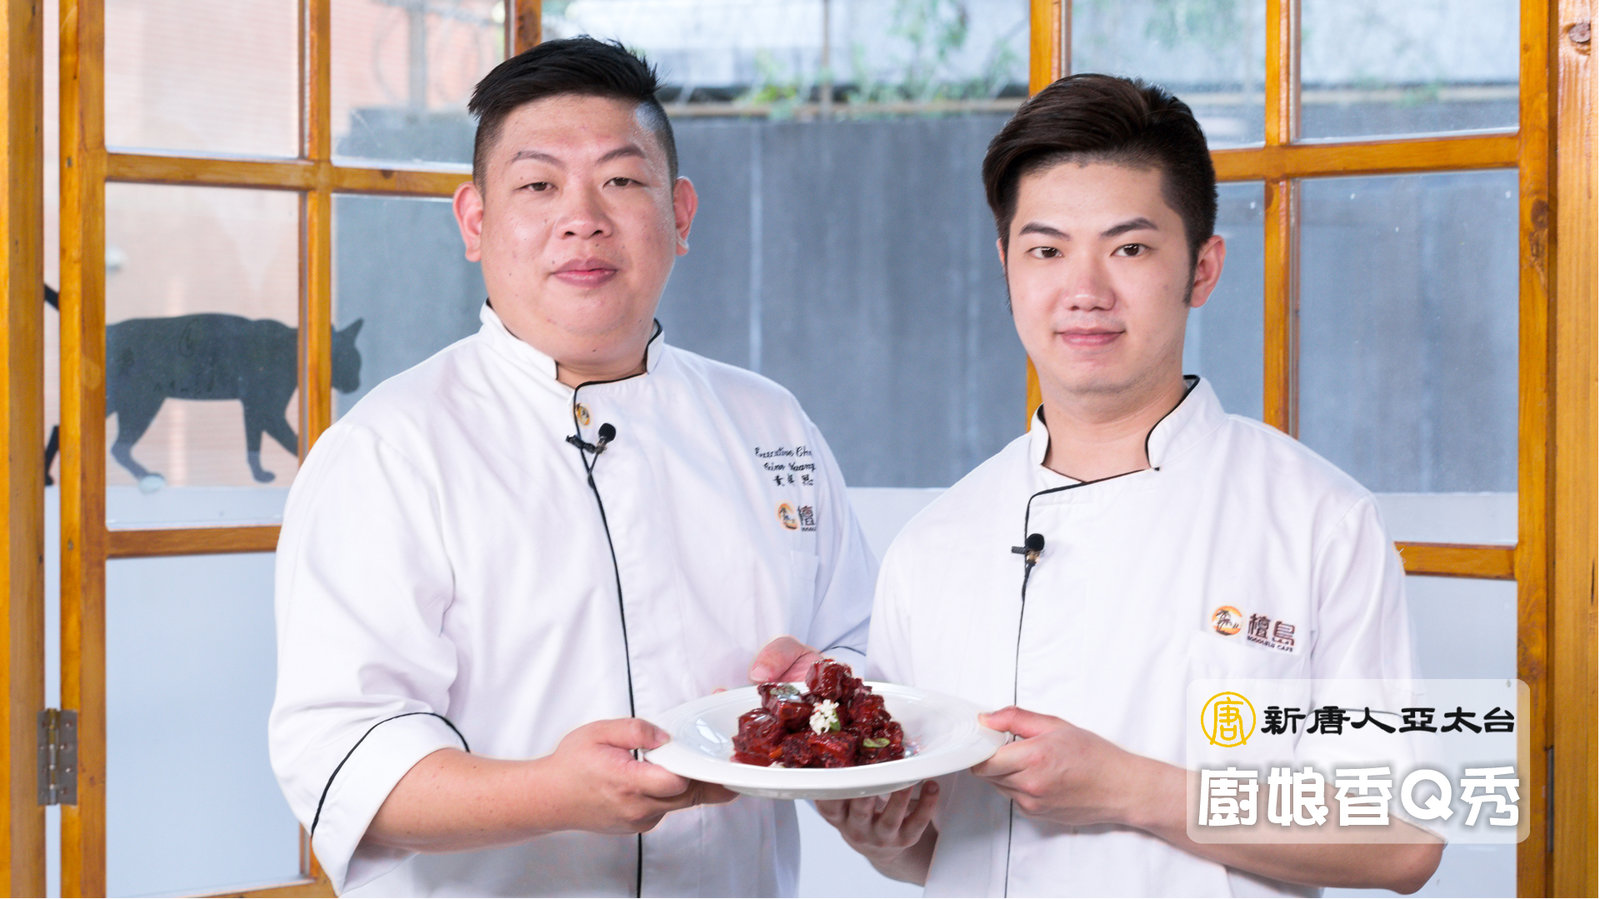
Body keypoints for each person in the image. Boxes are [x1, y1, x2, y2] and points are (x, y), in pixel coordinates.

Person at [268, 37, 876, 897]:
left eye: (622, 180)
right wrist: (553, 792)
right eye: (538, 185)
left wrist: (819, 683)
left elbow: (862, 647)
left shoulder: (770, 423)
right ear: (474, 222)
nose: (582, 217)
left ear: (681, 214)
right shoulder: (390, 449)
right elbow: (342, 754)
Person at [815, 74, 1444, 896]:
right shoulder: (935, 542)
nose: (1085, 291)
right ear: (1006, 267)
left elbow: (1402, 838)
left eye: (1130, 248)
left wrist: (1127, 787)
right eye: (1046, 250)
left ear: (1203, 268)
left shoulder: (1317, 518)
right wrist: (883, 838)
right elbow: (938, 847)